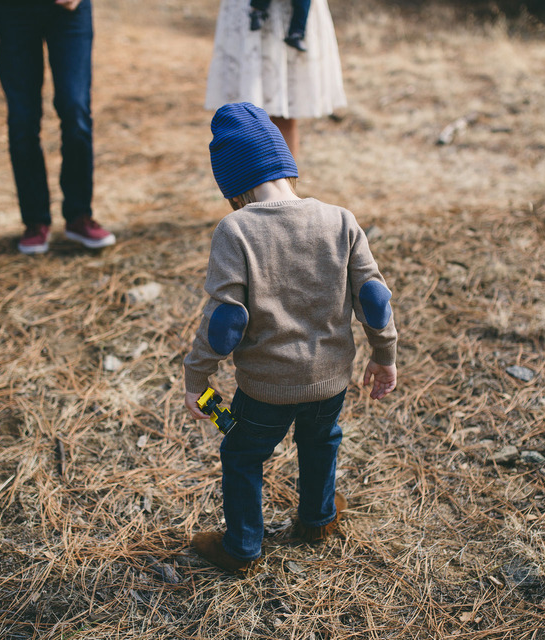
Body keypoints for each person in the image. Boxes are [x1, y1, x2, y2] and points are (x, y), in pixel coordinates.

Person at [183, 103, 398, 572]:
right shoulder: (340, 219)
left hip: (264, 390)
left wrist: (196, 379)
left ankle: (242, 548)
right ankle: (317, 519)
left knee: (242, 454)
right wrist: (385, 356)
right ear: (286, 163)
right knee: (321, 441)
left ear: (232, 185)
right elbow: (374, 298)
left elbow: (226, 322)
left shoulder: (235, 230)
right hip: (331, 382)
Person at [0, 0, 115, 255]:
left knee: (76, 110)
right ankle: (35, 221)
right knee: (23, 117)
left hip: (70, 11)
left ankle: (79, 216)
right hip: (11, 11)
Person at [205, 0, 346, 157]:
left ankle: (284, 179)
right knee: (242, 116)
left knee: (285, 115)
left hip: (292, 14)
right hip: (247, 10)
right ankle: (247, 179)